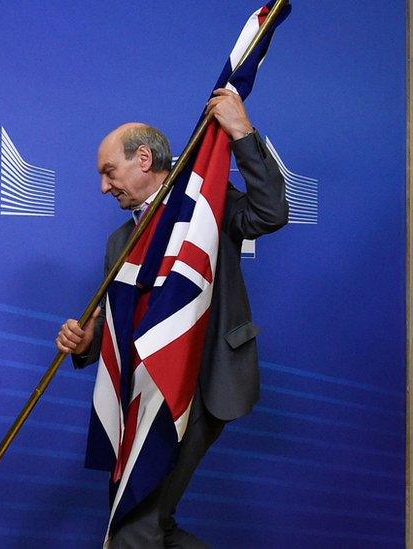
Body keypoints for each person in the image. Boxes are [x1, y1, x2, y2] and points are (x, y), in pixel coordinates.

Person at [55, 89, 288, 548]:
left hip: (202, 382)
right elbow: (119, 323)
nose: (104, 187)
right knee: (149, 523)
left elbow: (271, 212)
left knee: (134, 525)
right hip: (143, 398)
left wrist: (241, 131)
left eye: (109, 172)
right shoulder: (118, 241)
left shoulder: (203, 202)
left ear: (143, 158)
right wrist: (87, 342)